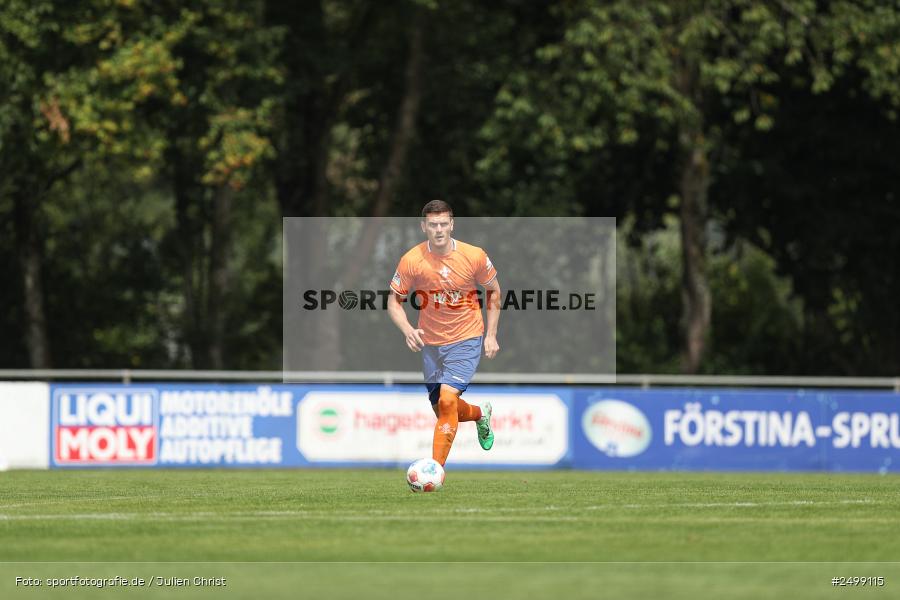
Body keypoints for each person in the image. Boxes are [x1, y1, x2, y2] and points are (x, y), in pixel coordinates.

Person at [387, 200, 499, 466]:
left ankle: (434, 470)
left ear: (452, 224)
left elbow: (494, 291)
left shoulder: (473, 256)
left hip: (467, 337)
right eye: (433, 224)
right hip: (431, 344)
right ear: (423, 226)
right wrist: (407, 330)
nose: (439, 229)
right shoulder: (412, 260)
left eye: (443, 223)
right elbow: (394, 301)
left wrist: (492, 335)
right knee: (443, 409)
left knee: (448, 401)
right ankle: (480, 415)